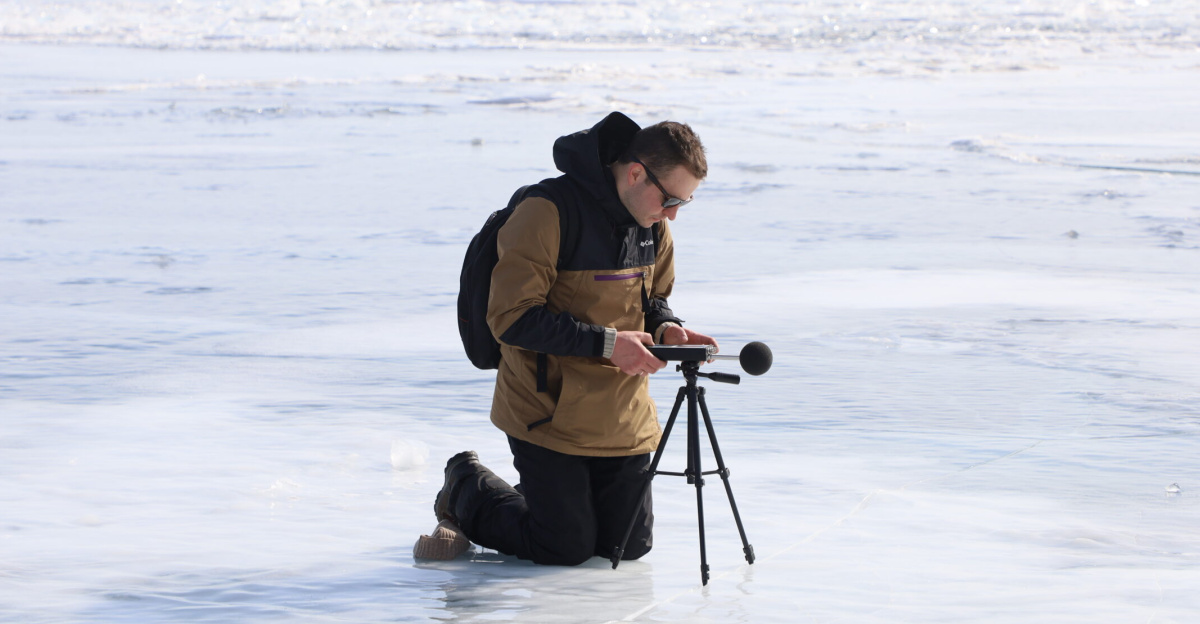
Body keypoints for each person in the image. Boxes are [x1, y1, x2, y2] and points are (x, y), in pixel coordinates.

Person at [414, 111, 717, 565]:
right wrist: (612, 345)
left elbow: (653, 301)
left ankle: (555, 502)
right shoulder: (546, 211)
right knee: (566, 547)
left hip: (620, 413)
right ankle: (464, 485)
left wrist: (666, 329)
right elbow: (511, 319)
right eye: (671, 198)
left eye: (684, 203)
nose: (673, 213)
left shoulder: (655, 225)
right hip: (545, 410)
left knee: (626, 546)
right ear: (636, 172)